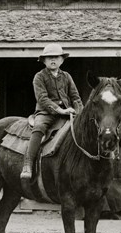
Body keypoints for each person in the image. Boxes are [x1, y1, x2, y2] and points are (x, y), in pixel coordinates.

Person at [21, 43, 83, 180]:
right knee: (38, 128)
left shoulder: (67, 77)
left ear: (62, 60)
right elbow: (42, 98)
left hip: (67, 113)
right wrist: (60, 110)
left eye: (56, 57)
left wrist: (79, 112)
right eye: (49, 58)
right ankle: (28, 163)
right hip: (46, 113)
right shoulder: (39, 77)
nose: (53, 60)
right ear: (44, 60)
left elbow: (75, 97)